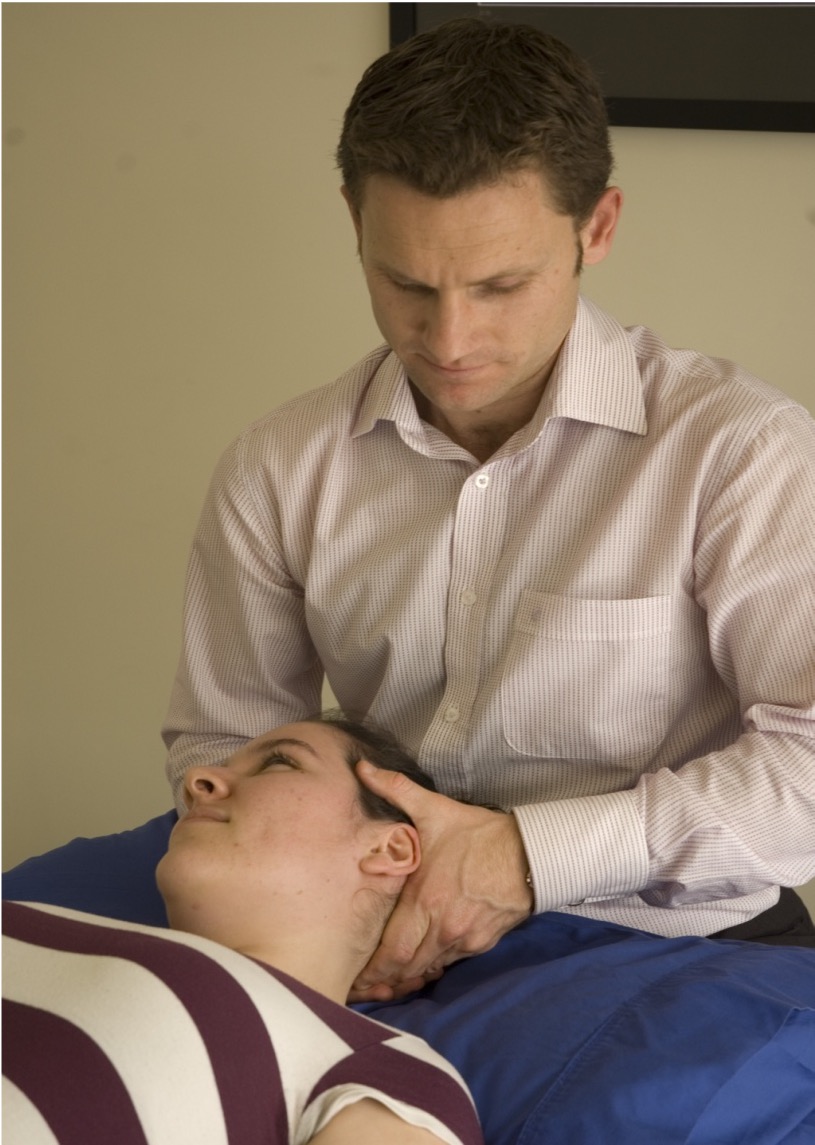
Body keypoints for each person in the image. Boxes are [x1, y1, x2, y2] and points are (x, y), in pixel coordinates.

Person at [162, 17, 815, 999]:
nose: (450, 337)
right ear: (353, 219)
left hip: (676, 947)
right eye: (405, 283)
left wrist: (524, 854)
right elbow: (228, 743)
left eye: (501, 283)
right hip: (376, 937)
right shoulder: (278, 465)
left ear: (596, 227)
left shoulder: (738, 451)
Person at [2, 714, 483, 1145]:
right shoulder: (29, 912)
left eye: (278, 763)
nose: (196, 780)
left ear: (392, 849)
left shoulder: (377, 1071)